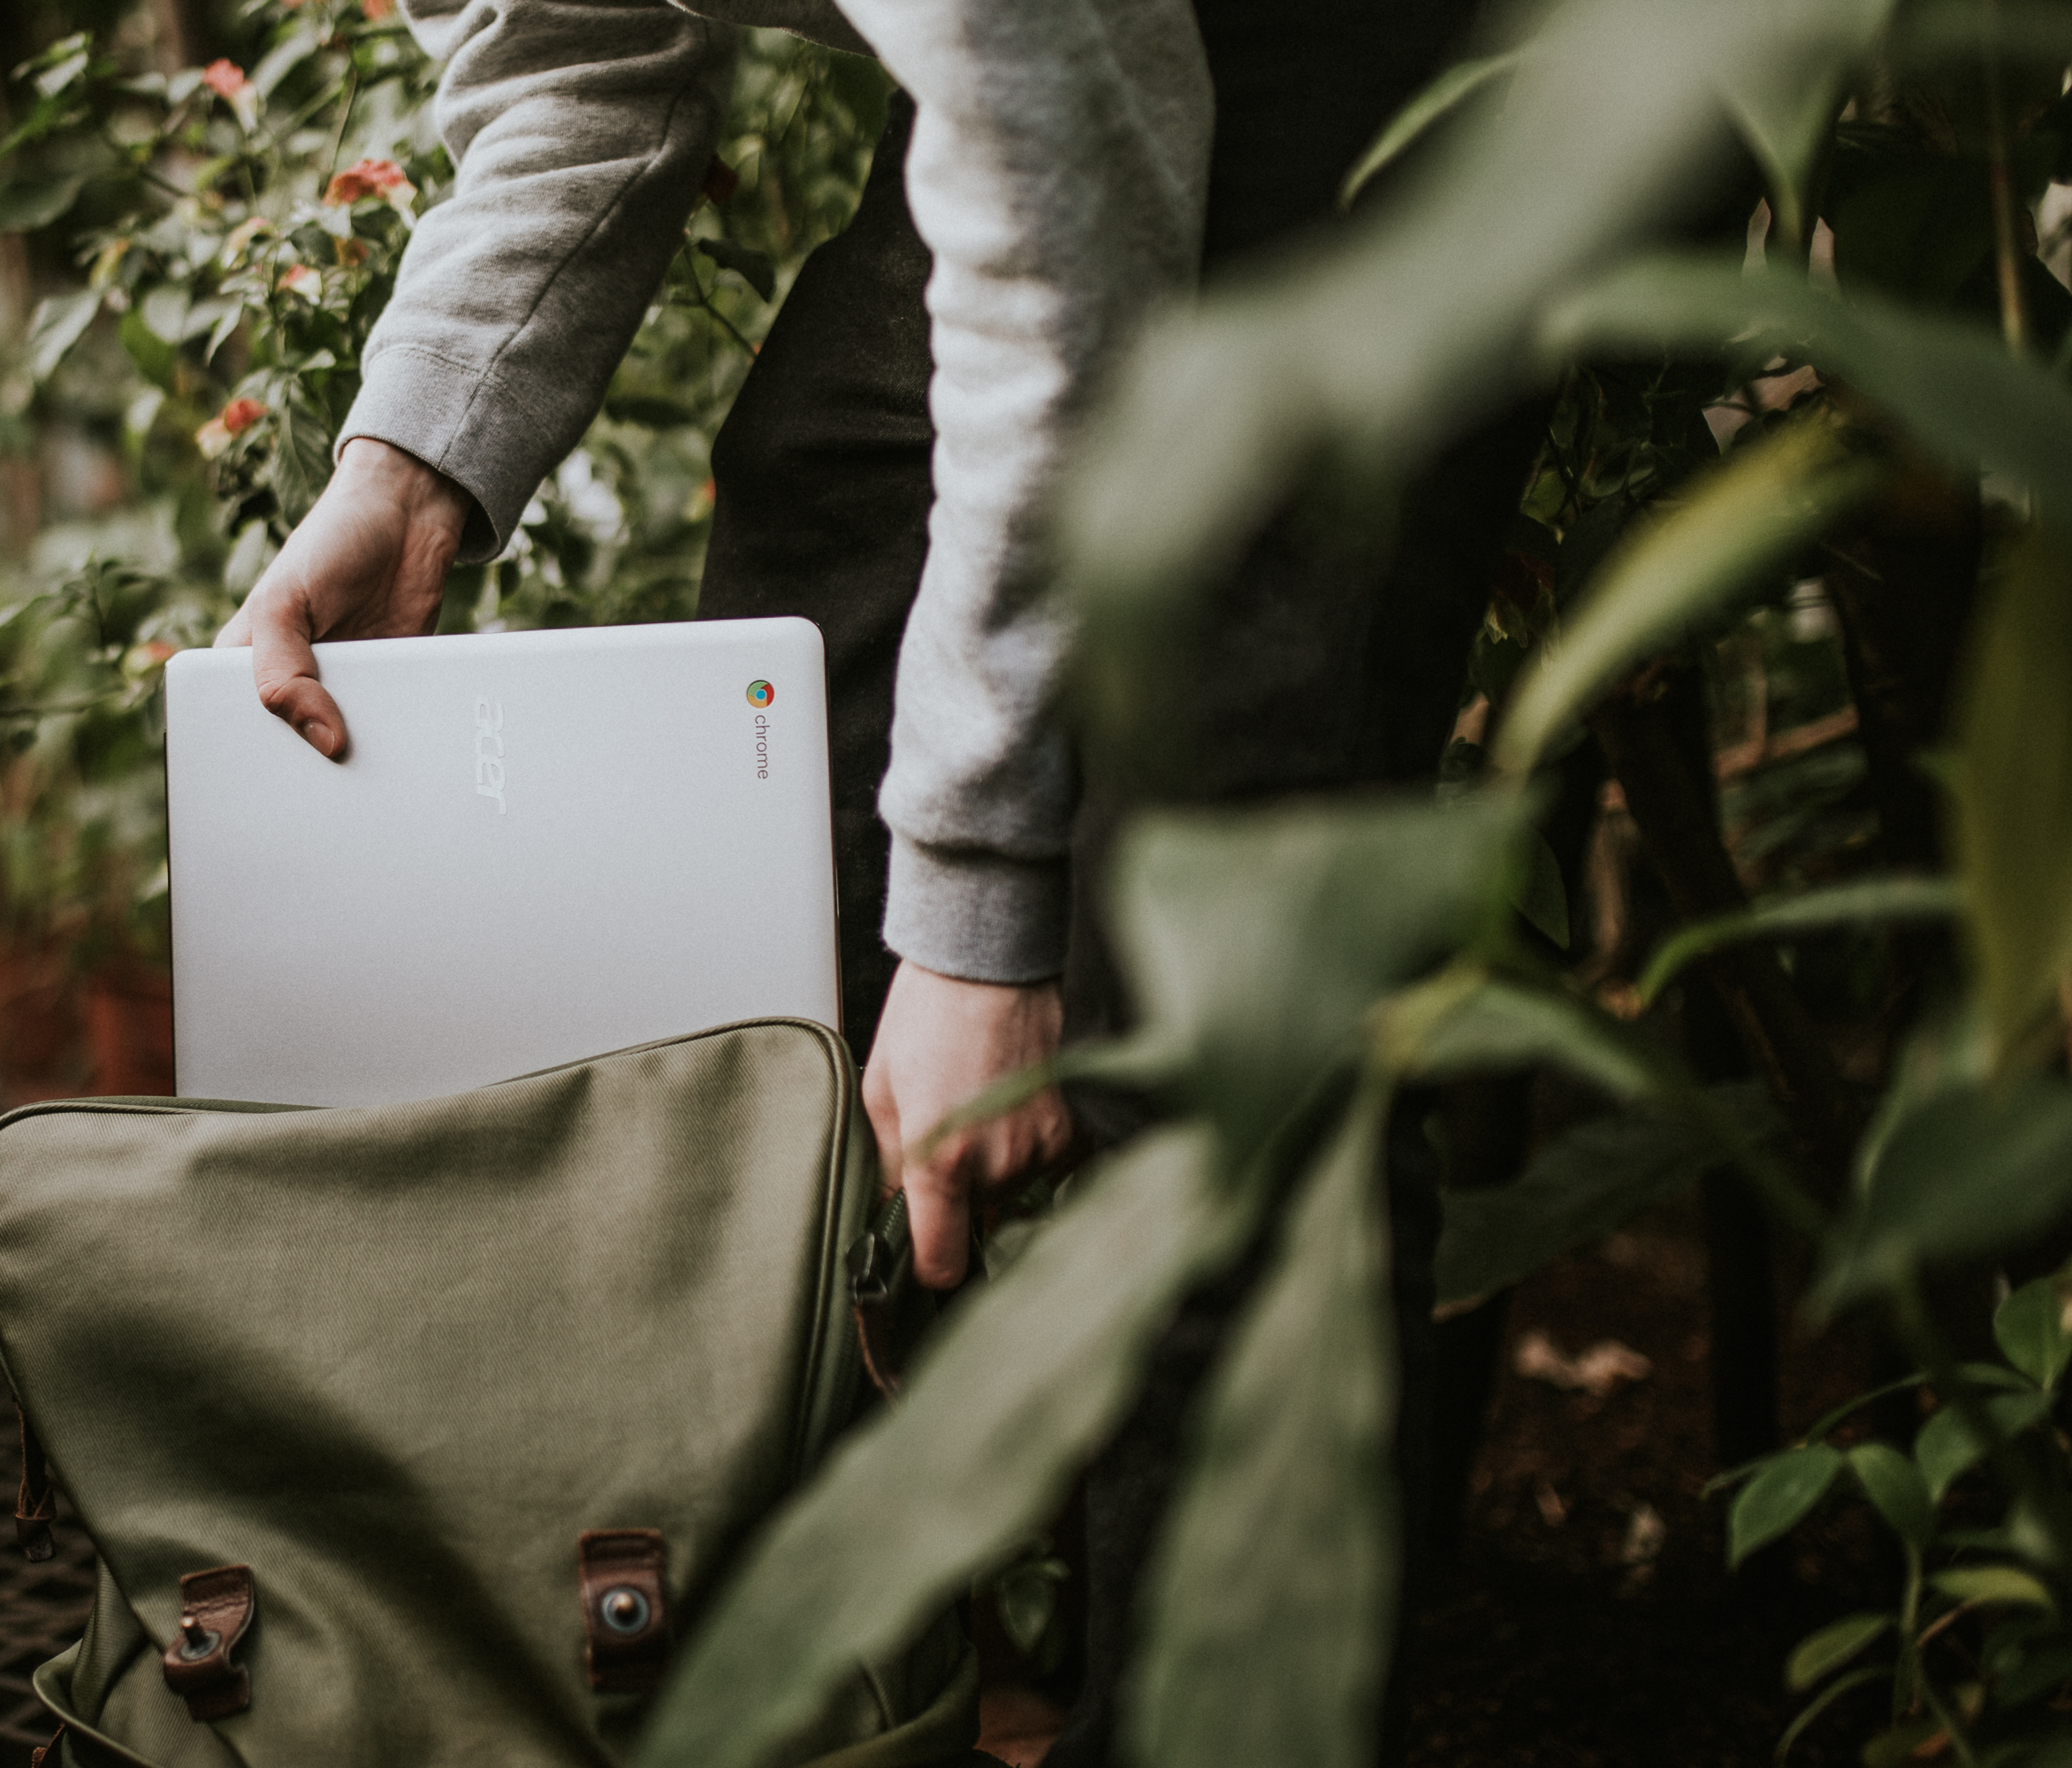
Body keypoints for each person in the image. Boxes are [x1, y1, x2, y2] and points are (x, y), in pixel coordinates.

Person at [216, 2, 1529, 1759]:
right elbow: (576, 49)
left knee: (1208, 902)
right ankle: (836, 1693)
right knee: (822, 539)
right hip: (1077, 60)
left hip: (1372, 61)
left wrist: (981, 911)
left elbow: (1065, 162)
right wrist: (414, 465)